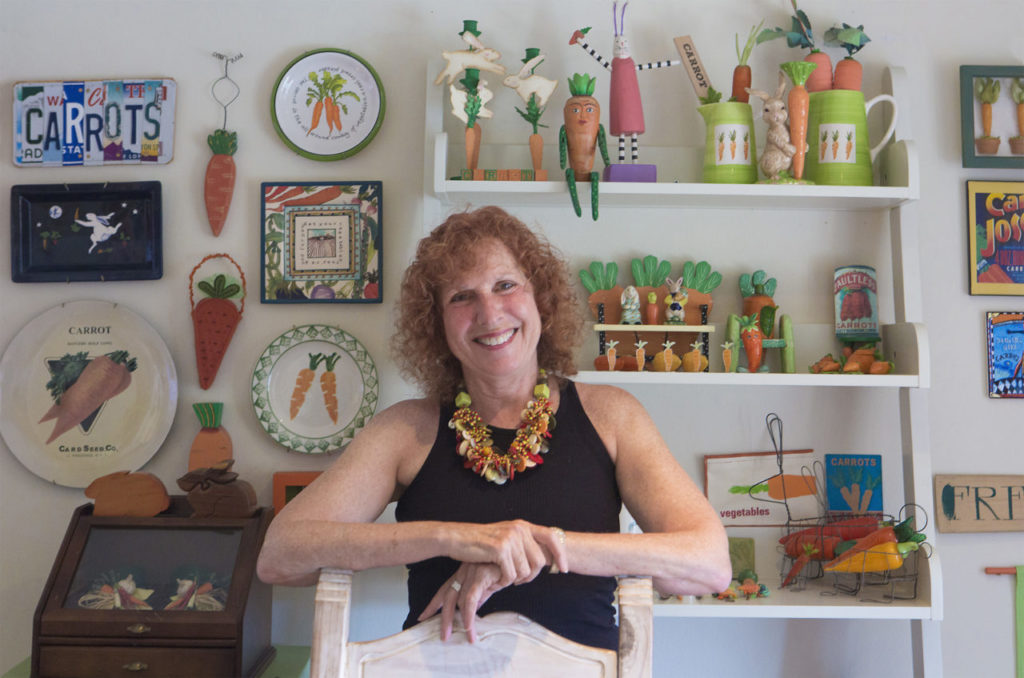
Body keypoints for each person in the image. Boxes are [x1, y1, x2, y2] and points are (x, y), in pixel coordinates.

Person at [256, 206, 731, 650]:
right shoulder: (404, 430)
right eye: (462, 297)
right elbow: (280, 555)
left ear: (540, 298)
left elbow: (709, 564)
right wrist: (455, 539)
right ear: (436, 323)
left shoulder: (612, 416)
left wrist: (536, 548)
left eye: (505, 285)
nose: (489, 312)